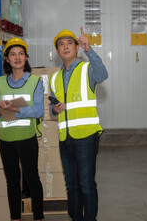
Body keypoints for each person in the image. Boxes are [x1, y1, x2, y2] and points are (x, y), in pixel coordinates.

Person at [50, 27, 108, 221]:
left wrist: (89, 50)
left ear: (76, 48)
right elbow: (56, 107)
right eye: (60, 44)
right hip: (65, 138)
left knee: (86, 184)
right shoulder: (55, 78)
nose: (65, 47)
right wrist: (54, 110)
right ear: (58, 52)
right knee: (71, 185)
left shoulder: (87, 69)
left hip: (86, 137)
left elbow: (102, 75)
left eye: (69, 43)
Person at [0, 38, 44, 221]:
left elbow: (38, 110)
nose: (17, 57)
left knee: (32, 179)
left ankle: (38, 217)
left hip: (26, 137)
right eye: (12, 54)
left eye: (21, 53)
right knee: (12, 181)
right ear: (7, 59)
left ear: (26, 57)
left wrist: (12, 108)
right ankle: (15, 218)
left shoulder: (35, 81)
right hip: (5, 139)